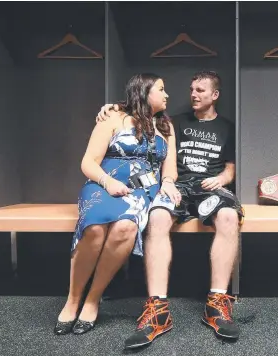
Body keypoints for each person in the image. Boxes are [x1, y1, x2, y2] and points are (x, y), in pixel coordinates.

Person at [96, 70, 244, 347]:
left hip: (210, 188)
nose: (193, 94)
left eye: (201, 90)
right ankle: (157, 311)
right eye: (192, 89)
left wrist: (222, 179)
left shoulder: (227, 127)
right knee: (158, 216)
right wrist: (114, 107)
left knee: (228, 215)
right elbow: (139, 108)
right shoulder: (171, 121)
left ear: (215, 95)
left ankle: (217, 305)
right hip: (176, 185)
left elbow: (230, 168)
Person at [54, 73, 181, 336]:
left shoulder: (166, 127)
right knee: (96, 228)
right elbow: (88, 162)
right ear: (144, 92)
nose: (167, 94)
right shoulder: (112, 117)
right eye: (161, 89)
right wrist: (107, 182)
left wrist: (168, 181)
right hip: (102, 186)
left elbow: (170, 169)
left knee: (125, 227)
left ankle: (92, 299)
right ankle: (73, 299)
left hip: (141, 192)